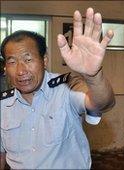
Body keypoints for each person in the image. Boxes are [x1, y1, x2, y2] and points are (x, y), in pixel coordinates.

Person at [0, 7, 115, 169]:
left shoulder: (66, 86)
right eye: (12, 62)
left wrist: (93, 75)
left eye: (28, 59)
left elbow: (102, 103)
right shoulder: (2, 104)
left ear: (44, 60)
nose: (20, 71)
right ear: (5, 67)